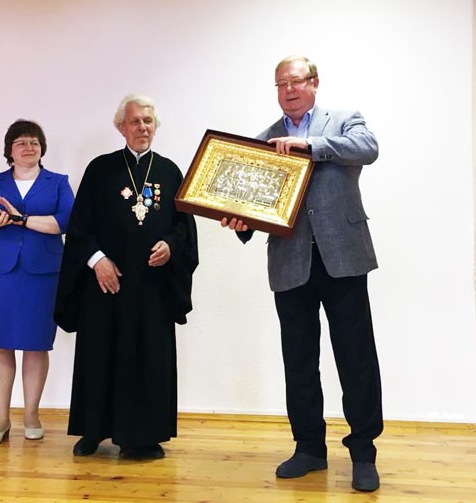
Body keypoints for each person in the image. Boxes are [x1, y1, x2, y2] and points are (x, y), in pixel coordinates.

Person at [222, 56, 383, 492]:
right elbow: (253, 203)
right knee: (299, 361)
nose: (288, 90)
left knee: (356, 357)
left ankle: (363, 451)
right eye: (281, 84)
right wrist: (241, 222)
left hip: (343, 257)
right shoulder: (263, 141)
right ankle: (309, 448)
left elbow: (368, 148)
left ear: (314, 83)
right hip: (290, 262)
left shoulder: (344, 121)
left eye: (295, 81)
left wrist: (309, 145)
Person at [55, 93, 198, 460]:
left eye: (148, 121)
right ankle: (93, 430)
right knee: (100, 356)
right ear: (121, 127)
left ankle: (144, 437)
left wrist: (171, 245)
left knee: (149, 359)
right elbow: (79, 226)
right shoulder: (100, 169)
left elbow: (184, 228)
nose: (142, 128)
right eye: (135, 121)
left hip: (152, 287)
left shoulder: (170, 172)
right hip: (107, 283)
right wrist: (97, 260)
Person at [0, 119, 75, 446]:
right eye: (21, 142)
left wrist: (22, 219)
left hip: (42, 272)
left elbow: (66, 222)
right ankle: (0, 419)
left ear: (42, 148)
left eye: (34, 142)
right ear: (10, 151)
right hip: (0, 272)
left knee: (35, 343)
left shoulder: (58, 182)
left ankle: (31, 415)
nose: (29, 147)